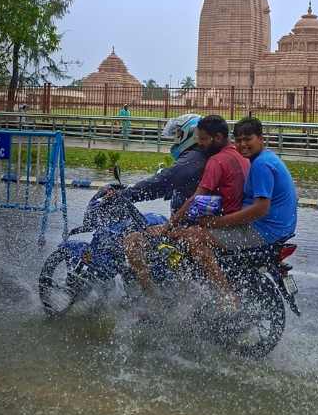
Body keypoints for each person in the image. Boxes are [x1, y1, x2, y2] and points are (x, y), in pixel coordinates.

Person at [171, 116, 297, 309]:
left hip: (264, 230)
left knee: (193, 238)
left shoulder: (261, 165)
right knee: (198, 231)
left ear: (261, 138)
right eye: (239, 140)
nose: (243, 144)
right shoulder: (265, 158)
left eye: (248, 139)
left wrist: (219, 222)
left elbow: (260, 209)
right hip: (277, 228)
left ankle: (227, 297)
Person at [123, 114, 247, 297]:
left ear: (217, 138)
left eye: (203, 139)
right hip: (220, 220)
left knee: (133, 241)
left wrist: (167, 226)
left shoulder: (212, 160)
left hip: (211, 224)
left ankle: (153, 300)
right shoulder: (234, 154)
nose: (200, 142)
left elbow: (190, 196)